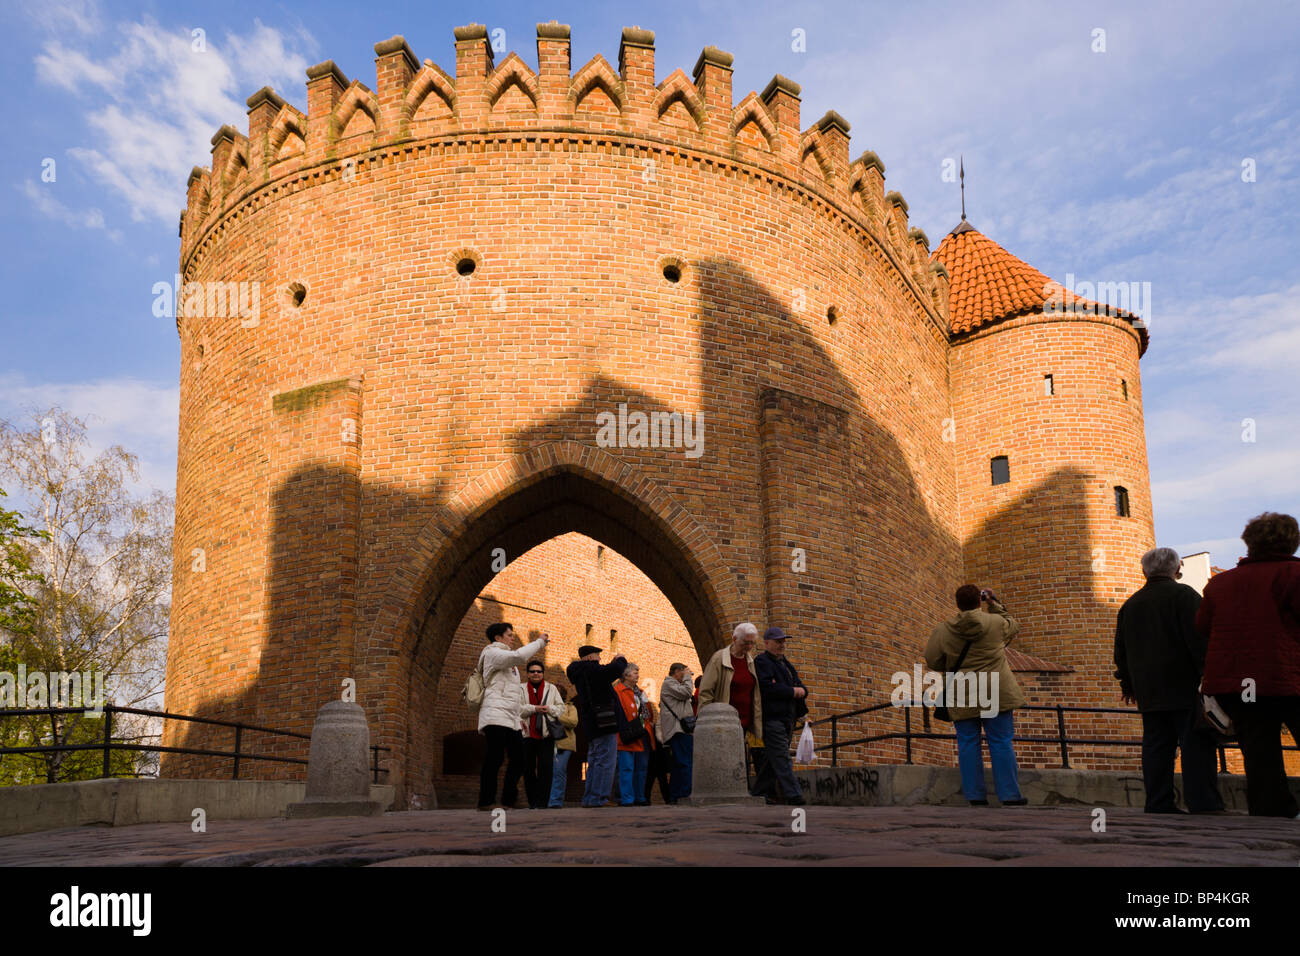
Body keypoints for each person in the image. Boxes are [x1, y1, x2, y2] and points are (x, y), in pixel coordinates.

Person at [1197, 512, 1300, 819]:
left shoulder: (1221, 583)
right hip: (1288, 676)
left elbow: (1202, 626)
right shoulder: (1293, 575)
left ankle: (1272, 813)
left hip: (1241, 683)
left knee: (1259, 751)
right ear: (1292, 541)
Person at [1114, 547, 1225, 814]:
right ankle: (1203, 803)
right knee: (1195, 745)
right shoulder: (1184, 596)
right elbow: (1200, 641)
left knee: (1156, 746)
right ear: (1177, 570)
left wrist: (1128, 684)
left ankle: (1158, 802)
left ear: (1144, 571)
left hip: (1149, 689)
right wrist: (1209, 677)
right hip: (1185, 685)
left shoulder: (1131, 604)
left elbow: (1121, 651)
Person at [924, 586, 1027, 807]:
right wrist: (994, 603)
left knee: (968, 743)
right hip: (996, 691)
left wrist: (952, 666)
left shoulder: (943, 630)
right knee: (1001, 742)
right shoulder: (996, 623)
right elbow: (1013, 624)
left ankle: (975, 796)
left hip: (963, 691)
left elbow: (933, 661)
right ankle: (1010, 795)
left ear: (957, 603)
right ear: (979, 601)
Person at [476, 623, 548, 810]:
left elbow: (512, 695)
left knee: (519, 759)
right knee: (495, 758)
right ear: (498, 638)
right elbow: (519, 656)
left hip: (510, 718)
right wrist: (539, 642)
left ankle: (508, 799)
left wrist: (518, 719)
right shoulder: (493, 654)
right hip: (494, 715)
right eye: (509, 635)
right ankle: (486, 801)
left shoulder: (508, 662)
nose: (512, 637)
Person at [751, 627, 809, 805]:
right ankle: (794, 795)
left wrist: (799, 696)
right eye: (778, 641)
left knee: (772, 759)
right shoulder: (762, 662)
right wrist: (792, 691)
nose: (781, 645)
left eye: (783, 641)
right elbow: (767, 688)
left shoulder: (785, 664)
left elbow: (802, 688)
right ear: (767, 643)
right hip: (772, 718)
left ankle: (758, 792)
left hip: (787, 718)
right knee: (782, 756)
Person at [565, 644, 628, 807]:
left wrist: (612, 663)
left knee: (595, 760)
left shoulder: (581, 672)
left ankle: (591, 797)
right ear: (590, 657)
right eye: (597, 656)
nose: (599, 659)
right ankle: (599, 798)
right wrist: (621, 659)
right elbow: (615, 670)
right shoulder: (591, 671)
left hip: (592, 722)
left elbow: (605, 672)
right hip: (604, 721)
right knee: (606, 760)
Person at [699, 623, 764, 777]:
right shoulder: (719, 659)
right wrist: (706, 720)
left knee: (752, 759)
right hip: (726, 722)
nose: (749, 646)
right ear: (734, 639)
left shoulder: (750, 662)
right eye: (745, 643)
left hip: (748, 722)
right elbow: (706, 692)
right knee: (727, 761)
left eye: (752, 643)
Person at [519, 660, 565, 809]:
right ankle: (533, 802)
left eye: (539, 671)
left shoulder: (551, 689)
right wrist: (534, 708)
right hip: (527, 734)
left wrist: (549, 709)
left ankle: (543, 802)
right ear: (527, 674)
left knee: (546, 769)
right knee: (528, 769)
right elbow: (516, 708)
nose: (536, 674)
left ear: (543, 673)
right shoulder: (520, 689)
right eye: (532, 671)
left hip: (546, 735)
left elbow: (561, 708)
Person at [614, 663, 654, 806]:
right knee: (626, 767)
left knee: (641, 767)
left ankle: (640, 796)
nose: (638, 674)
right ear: (625, 675)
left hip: (643, 732)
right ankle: (627, 798)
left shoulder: (641, 692)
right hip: (627, 733)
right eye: (635, 672)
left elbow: (649, 713)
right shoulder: (618, 691)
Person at [658, 663, 696, 802]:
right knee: (685, 763)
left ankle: (676, 796)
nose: (687, 676)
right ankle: (685, 795)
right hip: (677, 730)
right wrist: (687, 678)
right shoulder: (668, 684)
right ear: (677, 671)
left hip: (681, 730)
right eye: (684, 672)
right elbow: (686, 692)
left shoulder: (675, 685)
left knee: (679, 764)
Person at [548, 686, 579, 808]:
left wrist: (555, 714)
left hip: (564, 743)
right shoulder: (545, 706)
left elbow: (573, 722)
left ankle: (555, 801)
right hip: (547, 742)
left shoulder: (570, 707)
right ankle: (544, 800)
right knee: (547, 772)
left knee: (559, 771)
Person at [643, 699, 674, 804]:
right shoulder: (664, 720)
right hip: (659, 751)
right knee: (660, 778)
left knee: (652, 777)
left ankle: (647, 799)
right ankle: (667, 799)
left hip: (655, 751)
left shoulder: (659, 720)